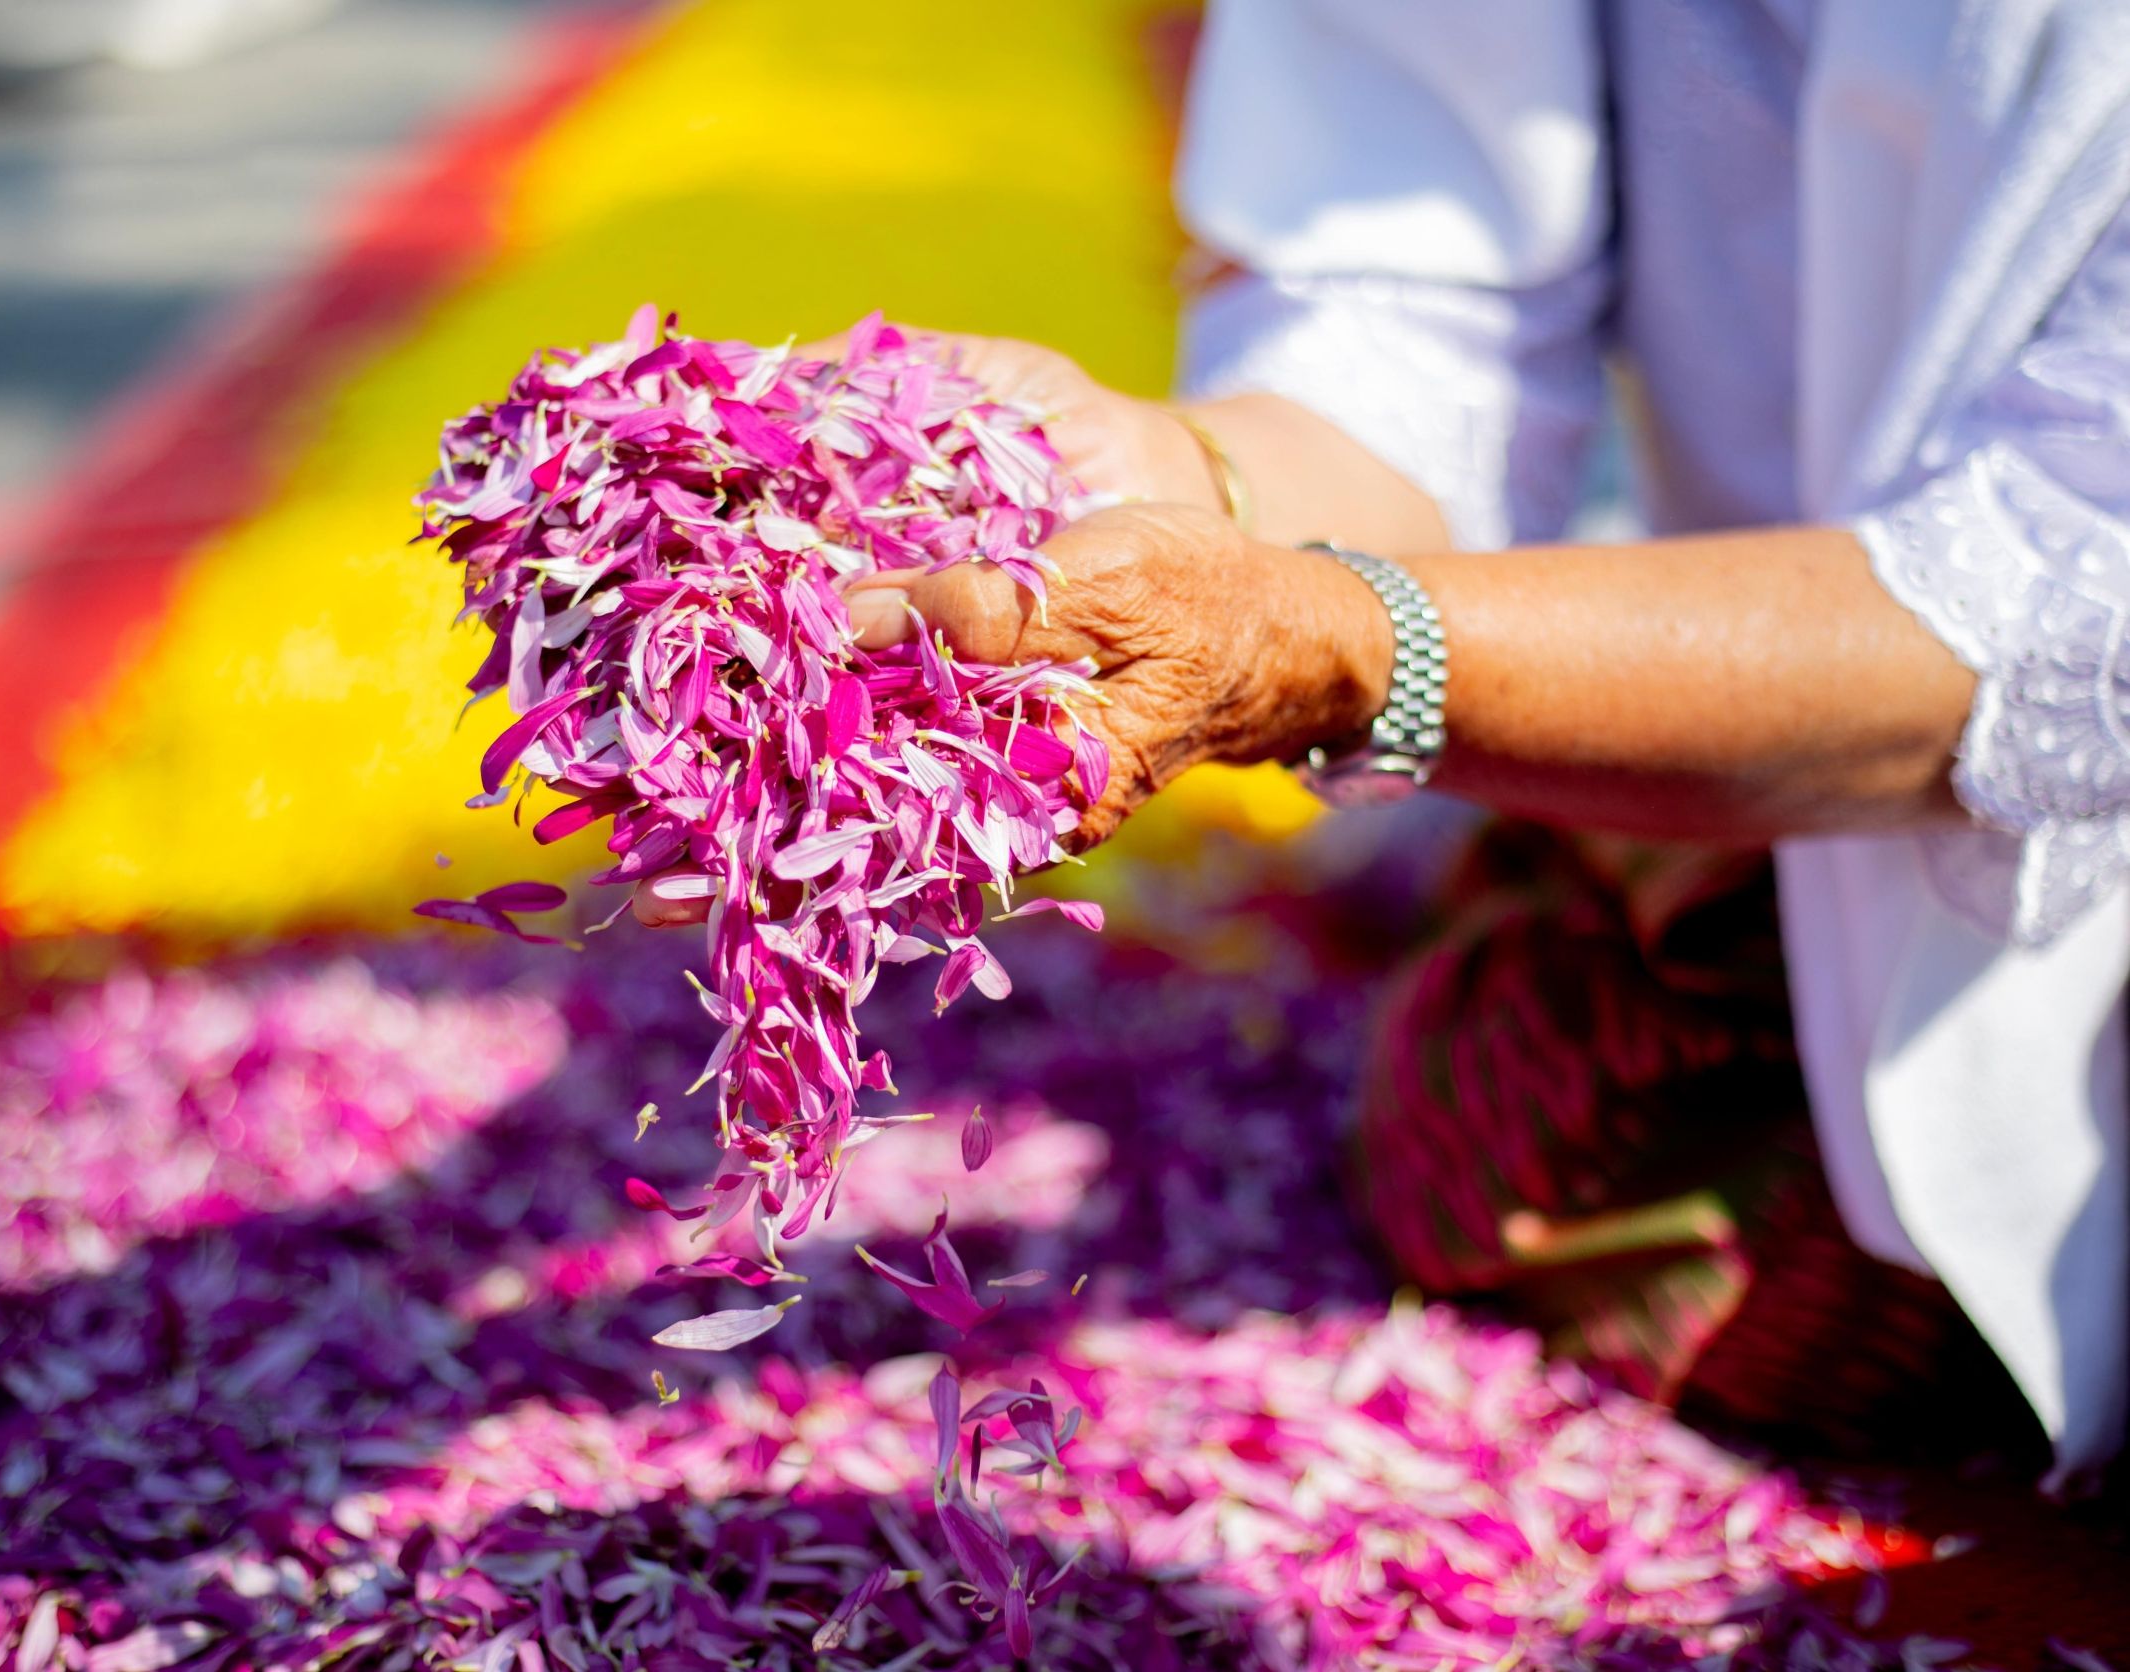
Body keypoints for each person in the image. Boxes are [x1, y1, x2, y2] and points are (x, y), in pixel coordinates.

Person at [645, 0, 2130, 1491]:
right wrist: (1159, 473)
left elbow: (2063, 601)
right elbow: (1414, 305)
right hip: (1791, 740)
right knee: (1502, 1116)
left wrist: (1348, 653)